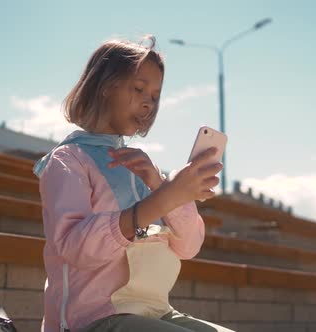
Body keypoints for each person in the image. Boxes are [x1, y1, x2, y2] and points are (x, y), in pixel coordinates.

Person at [33, 35, 231, 332]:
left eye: (154, 95)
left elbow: (189, 246)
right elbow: (75, 247)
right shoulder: (68, 160)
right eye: (139, 88)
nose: (148, 103)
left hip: (155, 311)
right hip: (91, 320)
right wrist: (161, 200)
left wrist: (163, 187)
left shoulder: (143, 167)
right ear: (103, 87)